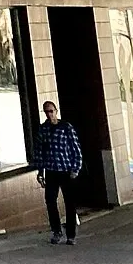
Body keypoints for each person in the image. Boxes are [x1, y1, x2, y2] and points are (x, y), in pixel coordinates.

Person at [37, 101, 85, 244]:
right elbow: (40, 152)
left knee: (70, 203)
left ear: (56, 111)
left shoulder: (66, 127)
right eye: (46, 112)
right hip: (51, 170)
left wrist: (75, 168)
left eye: (51, 111)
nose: (49, 114)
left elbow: (76, 149)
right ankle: (57, 231)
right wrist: (40, 172)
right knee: (50, 201)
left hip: (66, 170)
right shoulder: (43, 129)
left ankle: (71, 235)